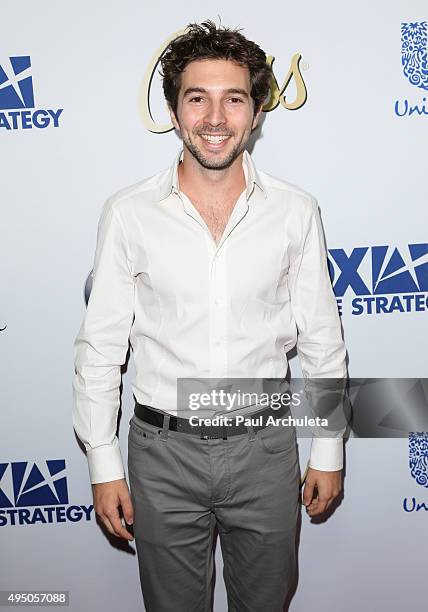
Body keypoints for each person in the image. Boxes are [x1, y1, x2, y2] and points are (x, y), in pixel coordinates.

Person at [72, 19, 347, 612]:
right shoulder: (128, 213)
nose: (215, 118)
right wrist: (102, 460)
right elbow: (101, 349)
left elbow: (323, 340)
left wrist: (329, 449)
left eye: (234, 99)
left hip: (266, 451)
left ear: (255, 112)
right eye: (197, 99)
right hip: (161, 455)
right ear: (174, 111)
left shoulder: (296, 211)